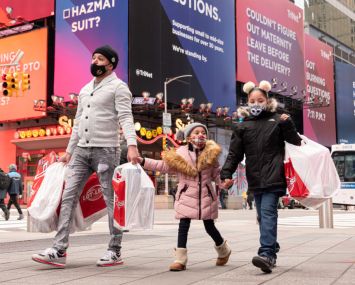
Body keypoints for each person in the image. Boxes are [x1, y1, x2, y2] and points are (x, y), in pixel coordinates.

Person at [32, 45, 139, 268]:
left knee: (111, 201)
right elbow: (78, 123)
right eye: (93, 58)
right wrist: (69, 151)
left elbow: (126, 118)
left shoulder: (119, 87)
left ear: (111, 63)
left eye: (100, 59)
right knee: (68, 196)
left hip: (106, 150)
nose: (95, 62)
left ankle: (114, 250)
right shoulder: (85, 89)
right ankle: (59, 249)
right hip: (81, 150)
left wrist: (132, 145)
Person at [220, 80, 301, 274]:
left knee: (267, 214)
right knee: (261, 217)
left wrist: (287, 123)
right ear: (247, 101)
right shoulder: (243, 127)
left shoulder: (277, 119)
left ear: (267, 100)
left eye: (260, 100)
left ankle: (267, 254)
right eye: (252, 100)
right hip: (255, 180)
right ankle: (271, 245)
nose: (256, 103)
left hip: (274, 177)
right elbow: (234, 154)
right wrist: (226, 173)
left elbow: (295, 142)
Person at [139, 122, 231, 271]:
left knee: (210, 227)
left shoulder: (211, 155)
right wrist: (143, 161)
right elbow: (163, 166)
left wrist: (225, 184)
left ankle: (224, 251)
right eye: (196, 133)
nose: (200, 135)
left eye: (203, 132)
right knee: (183, 225)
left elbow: (216, 175)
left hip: (206, 196)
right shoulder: (180, 155)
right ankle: (180, 259)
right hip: (186, 195)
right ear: (188, 137)